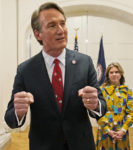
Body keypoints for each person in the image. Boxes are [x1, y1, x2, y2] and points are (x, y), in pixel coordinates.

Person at [4, 2, 106, 150]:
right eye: (52, 25)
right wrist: (19, 113)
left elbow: (102, 107)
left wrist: (95, 105)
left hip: (81, 144)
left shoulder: (85, 62)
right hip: (43, 145)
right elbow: (10, 118)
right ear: (38, 34)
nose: (61, 31)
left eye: (63, 24)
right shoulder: (25, 70)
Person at [96, 62, 133, 150]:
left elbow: (131, 114)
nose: (114, 74)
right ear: (107, 75)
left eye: (117, 72)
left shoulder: (127, 91)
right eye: (111, 72)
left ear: (121, 74)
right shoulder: (101, 91)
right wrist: (108, 130)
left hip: (121, 133)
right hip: (105, 132)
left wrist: (123, 130)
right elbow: (98, 113)